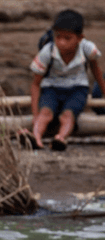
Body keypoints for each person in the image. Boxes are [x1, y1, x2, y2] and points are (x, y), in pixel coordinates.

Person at [21, 9, 105, 151]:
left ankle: (61, 138)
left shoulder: (87, 48)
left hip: (78, 88)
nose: (61, 42)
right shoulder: (47, 52)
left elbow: (96, 71)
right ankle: (36, 137)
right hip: (51, 88)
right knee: (45, 113)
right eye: (58, 37)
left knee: (68, 115)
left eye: (67, 38)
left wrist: (104, 91)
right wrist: (35, 114)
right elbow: (36, 84)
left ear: (79, 38)